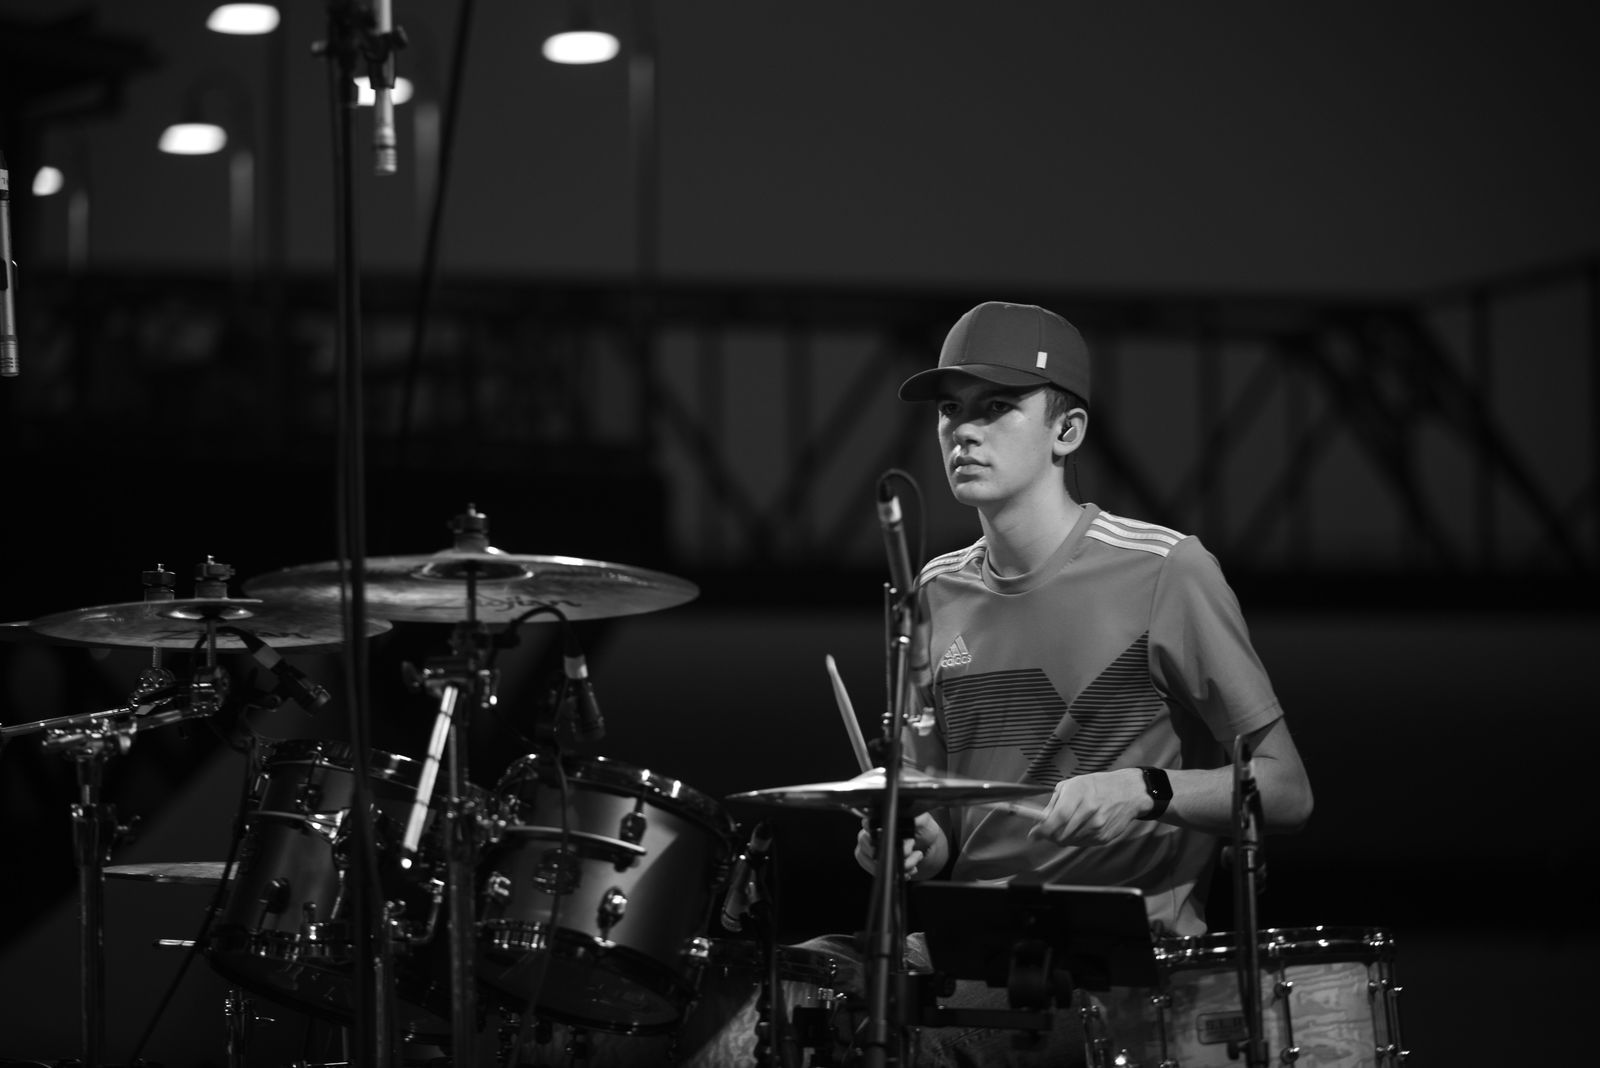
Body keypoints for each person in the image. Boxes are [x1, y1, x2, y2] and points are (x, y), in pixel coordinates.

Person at [849, 300, 1314, 1066]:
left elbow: (1288, 791)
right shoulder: (930, 592)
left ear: (1067, 431)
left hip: (1123, 975)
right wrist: (908, 841)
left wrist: (1145, 790)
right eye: (950, 409)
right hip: (974, 956)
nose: (963, 431)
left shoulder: (1166, 571)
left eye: (995, 407)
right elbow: (941, 832)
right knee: (807, 994)